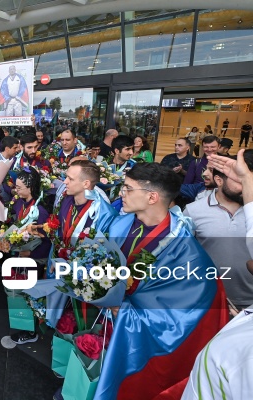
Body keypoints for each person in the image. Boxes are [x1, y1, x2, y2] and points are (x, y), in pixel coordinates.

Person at [94, 163, 227, 399]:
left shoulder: (184, 249)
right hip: (107, 322)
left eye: (127, 188)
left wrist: (122, 310)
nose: (120, 194)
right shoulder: (120, 223)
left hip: (135, 335)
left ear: (152, 196)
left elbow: (180, 317)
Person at [184, 151, 253, 310]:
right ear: (219, 180)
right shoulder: (193, 211)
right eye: (240, 181)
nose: (247, 188)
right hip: (208, 298)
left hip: (249, 301)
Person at [7, 167, 52, 345]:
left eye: (19, 187)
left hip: (34, 258)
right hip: (21, 255)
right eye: (15, 187)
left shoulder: (40, 211)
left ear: (30, 188)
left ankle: (30, 330)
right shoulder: (18, 204)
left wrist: (30, 253)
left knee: (28, 294)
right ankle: (22, 324)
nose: (16, 190)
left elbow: (47, 242)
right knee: (17, 292)